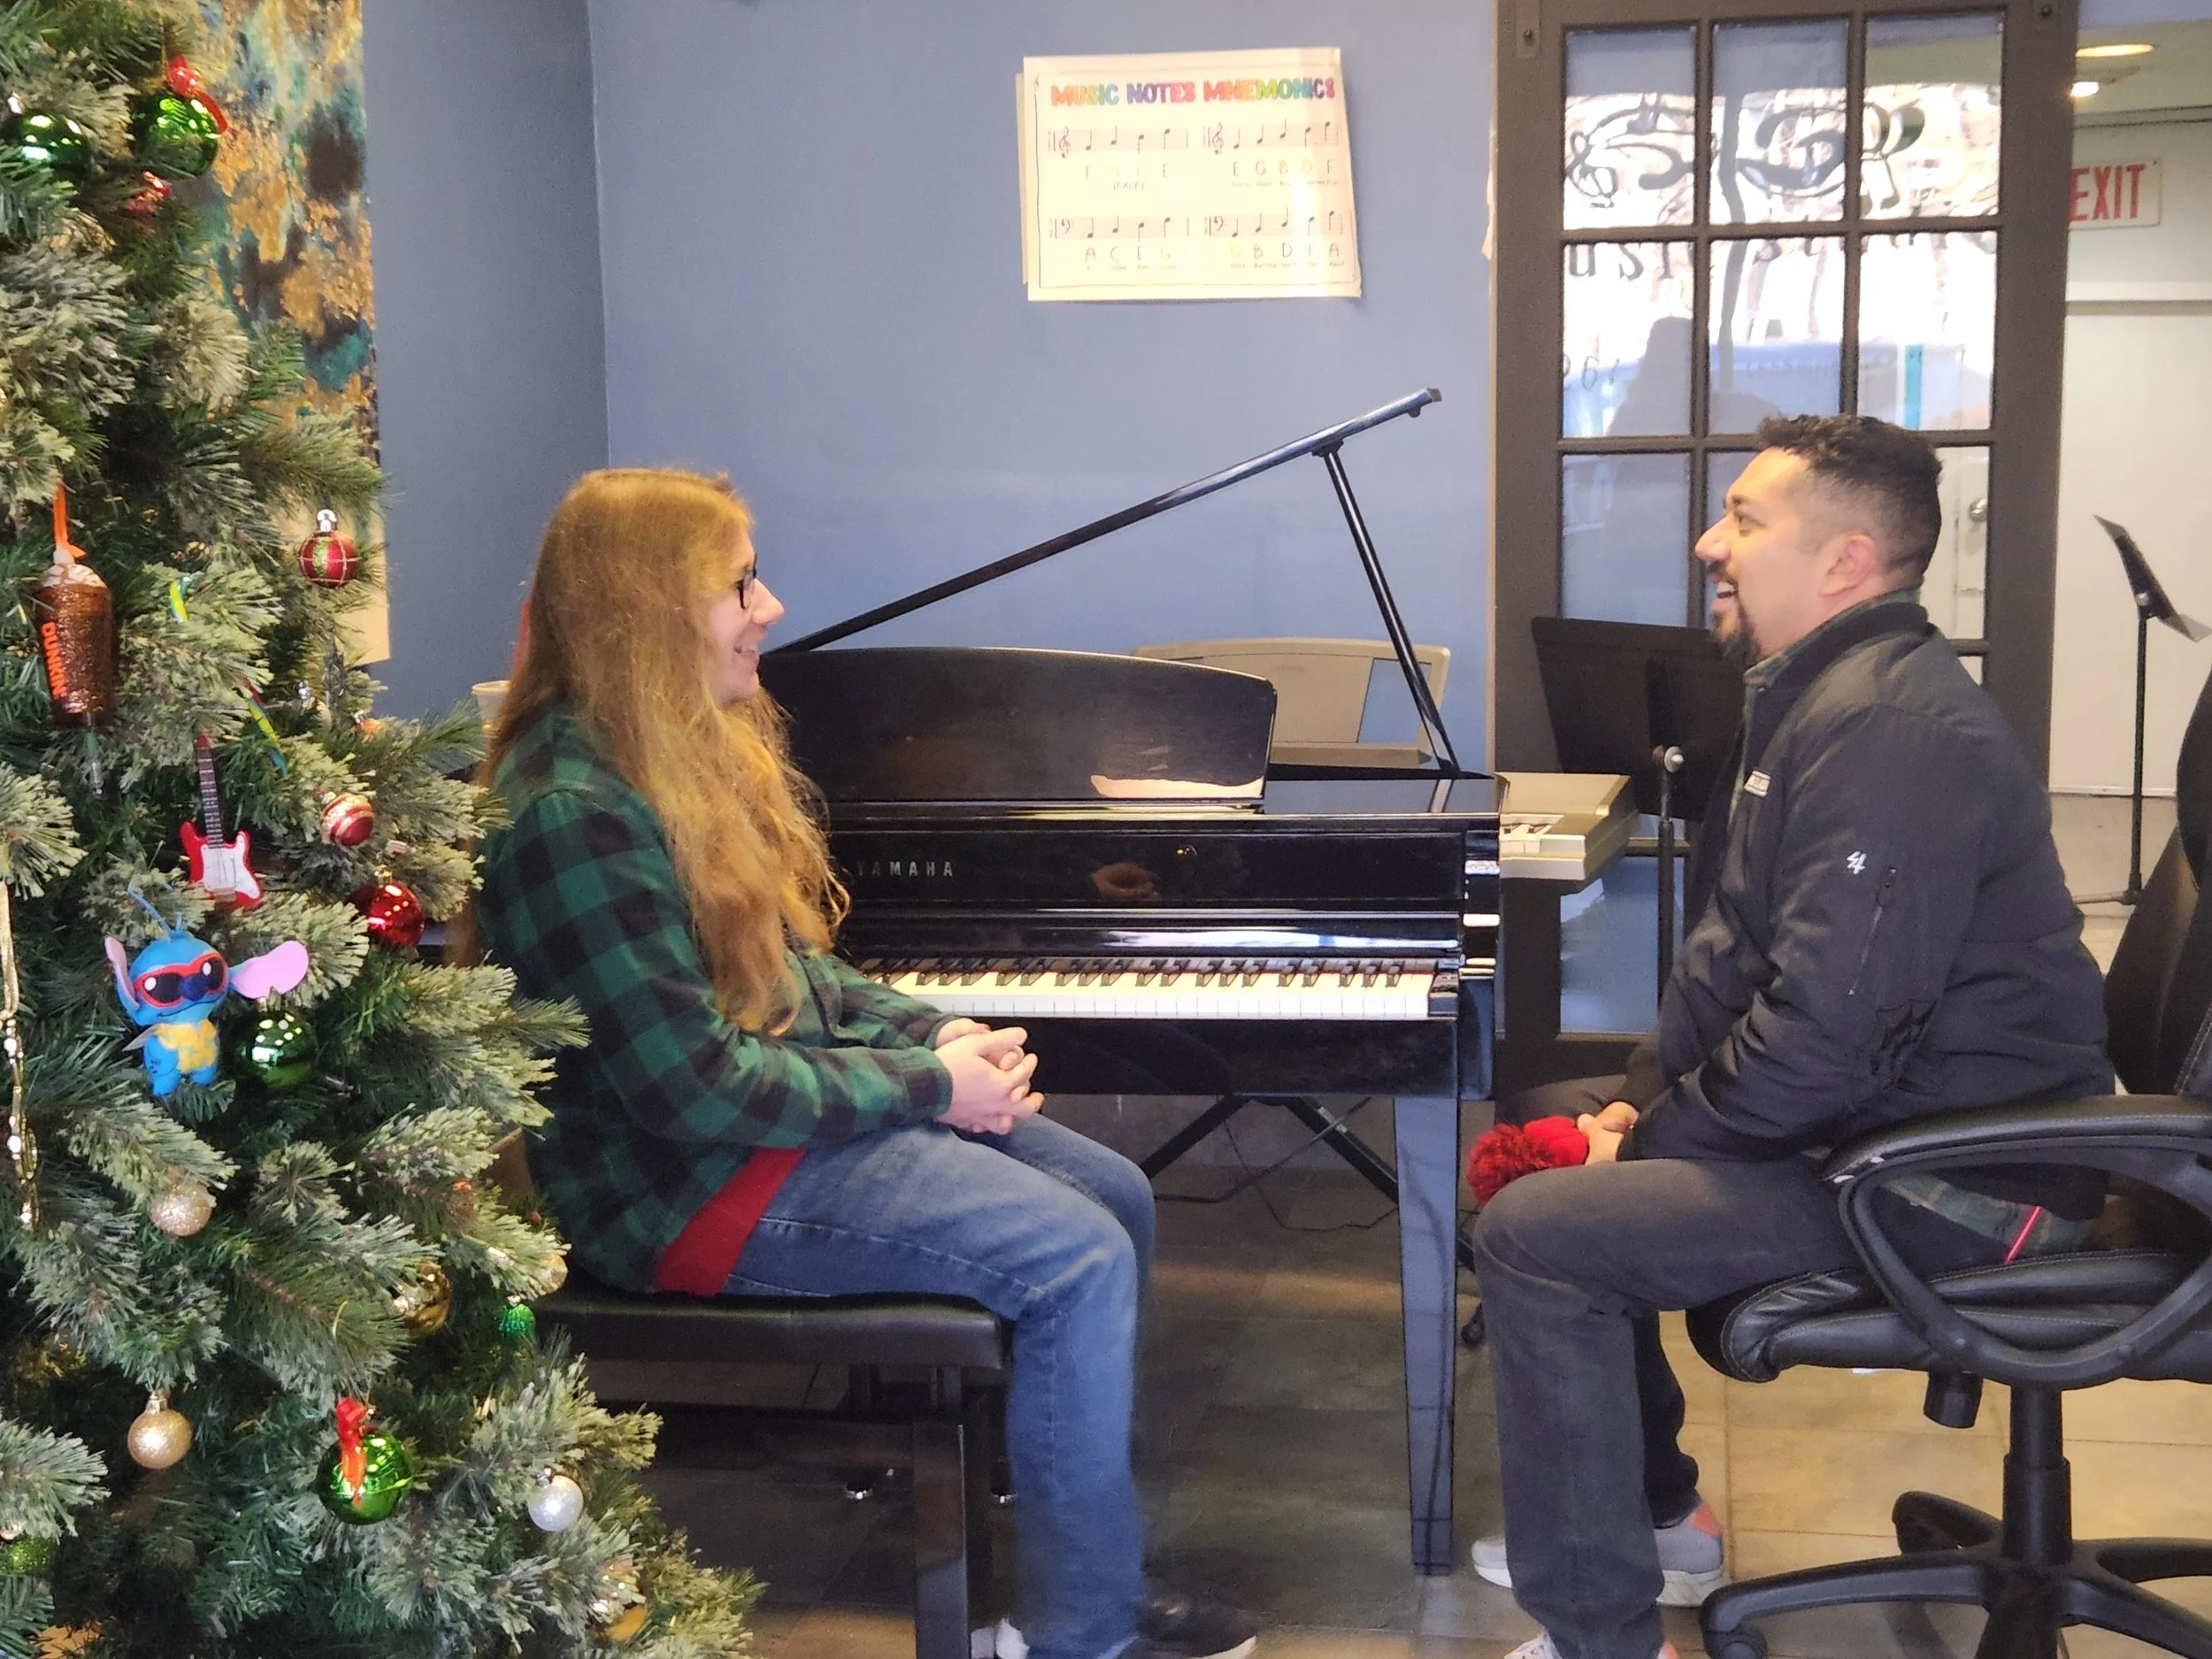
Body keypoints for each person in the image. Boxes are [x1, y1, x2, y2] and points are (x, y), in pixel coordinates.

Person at [472, 469, 1257, 1659]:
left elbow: (792, 976)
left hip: (749, 1135)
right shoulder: (572, 808)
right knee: (1077, 1258)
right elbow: (693, 1089)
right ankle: (1083, 1633)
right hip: (674, 1190)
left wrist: (926, 1030)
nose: (772, 604)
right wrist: (935, 1088)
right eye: (739, 581)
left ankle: (1078, 1562)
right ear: (651, 607)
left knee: (1121, 1195)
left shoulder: (664, 751)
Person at [1471, 416, 2115, 1659]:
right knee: (1536, 1112)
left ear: (1845, 561)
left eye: (1748, 520)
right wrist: (1636, 1111)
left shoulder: (1893, 733)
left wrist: (1648, 1136)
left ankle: (1602, 1637)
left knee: (1540, 1235)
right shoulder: (1820, 693)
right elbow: (1738, 967)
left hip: (1958, 1181)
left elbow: (1825, 1037)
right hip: (1883, 1124)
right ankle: (1660, 1519)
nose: (1712, 541)